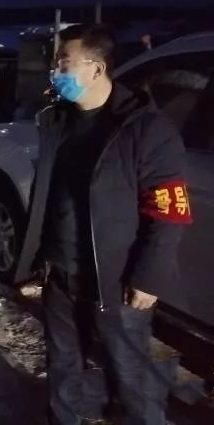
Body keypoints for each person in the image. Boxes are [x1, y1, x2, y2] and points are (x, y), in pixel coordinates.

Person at [21, 24, 191, 424]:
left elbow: (169, 210)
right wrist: (39, 256)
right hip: (60, 272)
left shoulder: (146, 129)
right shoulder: (56, 121)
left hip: (114, 280)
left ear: (96, 68)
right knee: (63, 366)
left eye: (64, 62)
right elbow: (49, 195)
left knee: (129, 377)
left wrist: (148, 277)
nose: (55, 71)